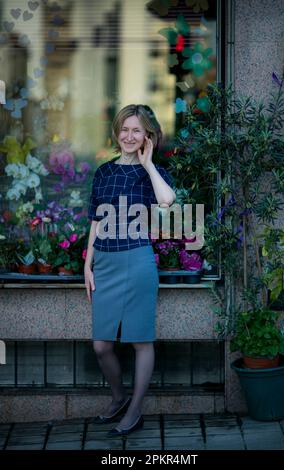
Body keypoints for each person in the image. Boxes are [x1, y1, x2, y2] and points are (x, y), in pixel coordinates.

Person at [84, 104, 176, 437]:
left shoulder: (152, 172)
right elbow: (96, 220)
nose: (128, 136)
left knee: (139, 340)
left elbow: (167, 200)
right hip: (106, 264)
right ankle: (120, 397)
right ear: (117, 132)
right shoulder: (104, 172)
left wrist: (148, 163)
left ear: (147, 136)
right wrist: (87, 264)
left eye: (137, 130)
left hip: (137, 260)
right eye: (124, 129)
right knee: (101, 345)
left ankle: (135, 410)